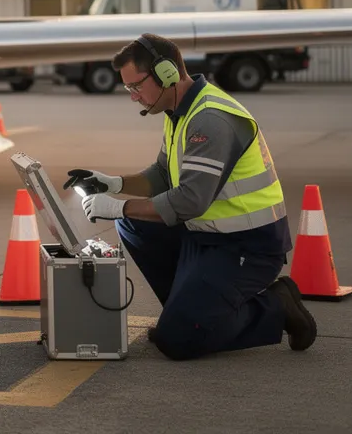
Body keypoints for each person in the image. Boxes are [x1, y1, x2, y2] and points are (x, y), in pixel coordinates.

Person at [66, 33, 317, 361]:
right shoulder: (180, 112)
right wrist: (112, 183)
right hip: (210, 235)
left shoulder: (209, 120)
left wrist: (119, 206)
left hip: (248, 246)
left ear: (167, 74)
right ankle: (187, 313)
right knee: (133, 225)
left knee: (177, 341)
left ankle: (276, 306)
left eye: (136, 86)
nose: (133, 97)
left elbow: (189, 201)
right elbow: (160, 175)